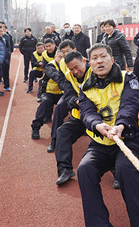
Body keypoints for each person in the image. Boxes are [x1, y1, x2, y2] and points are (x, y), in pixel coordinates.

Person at [77, 43, 139, 227]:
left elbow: (130, 105)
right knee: (84, 170)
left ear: (112, 59)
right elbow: (87, 113)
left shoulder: (128, 78)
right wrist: (97, 125)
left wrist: (120, 126)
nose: (99, 61)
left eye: (103, 56)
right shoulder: (85, 87)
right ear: (89, 63)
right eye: (94, 58)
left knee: (125, 170)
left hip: (127, 140)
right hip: (100, 144)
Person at [54, 51, 92, 185]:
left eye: (77, 67)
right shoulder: (68, 76)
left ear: (84, 62)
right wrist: (75, 101)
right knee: (62, 132)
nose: (75, 71)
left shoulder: (95, 72)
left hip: (98, 117)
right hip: (80, 116)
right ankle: (65, 170)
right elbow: (68, 96)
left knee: (104, 140)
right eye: (71, 69)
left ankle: (117, 172)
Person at [30, 42, 62, 140]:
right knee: (45, 103)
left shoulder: (68, 65)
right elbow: (45, 81)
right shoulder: (50, 66)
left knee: (65, 106)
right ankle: (36, 127)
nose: (61, 59)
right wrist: (41, 94)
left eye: (63, 57)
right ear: (56, 56)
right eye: (59, 56)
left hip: (63, 94)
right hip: (50, 92)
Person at [2, 24, 14, 91]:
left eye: (3, 27)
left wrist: (8, 53)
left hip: (6, 56)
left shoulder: (7, 36)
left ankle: (6, 86)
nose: (2, 29)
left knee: (6, 71)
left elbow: (9, 46)